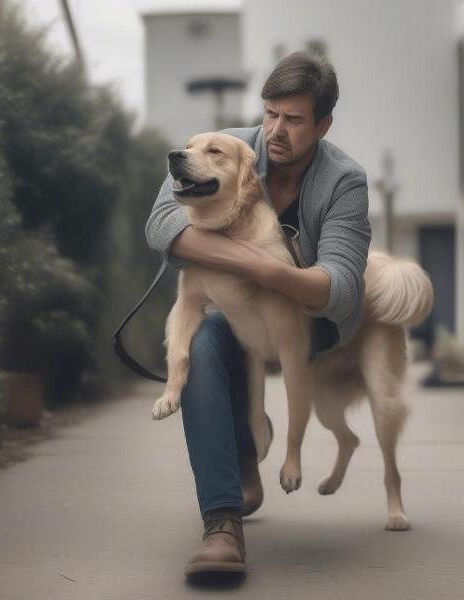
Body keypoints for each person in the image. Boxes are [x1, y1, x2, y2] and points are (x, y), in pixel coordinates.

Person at [145, 51, 371, 577]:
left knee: (233, 329)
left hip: (308, 324)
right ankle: (222, 523)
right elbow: (161, 226)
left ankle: (247, 437)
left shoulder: (345, 182)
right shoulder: (225, 148)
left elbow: (338, 288)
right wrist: (251, 260)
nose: (276, 130)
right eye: (271, 113)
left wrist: (273, 275)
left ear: (323, 124)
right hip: (233, 312)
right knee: (204, 340)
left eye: (294, 120)